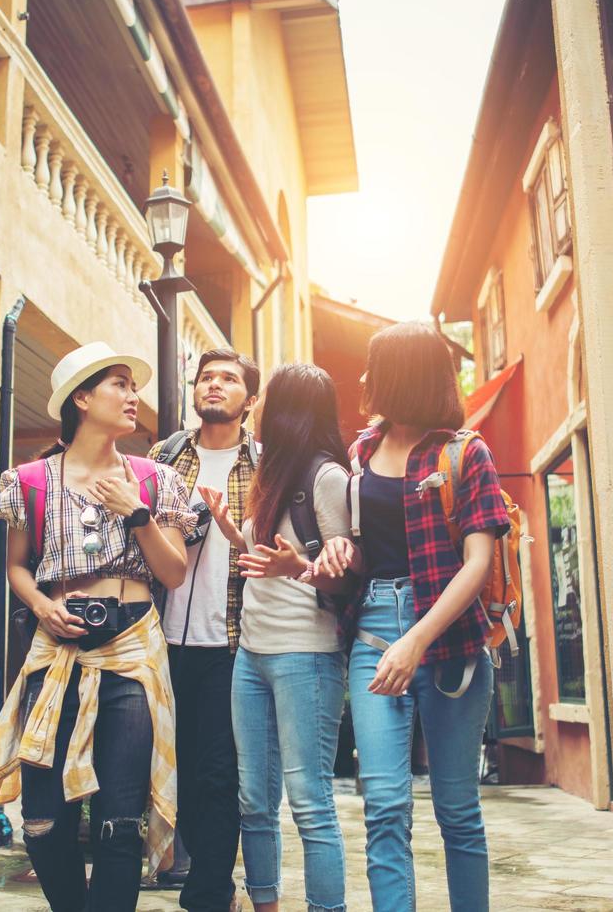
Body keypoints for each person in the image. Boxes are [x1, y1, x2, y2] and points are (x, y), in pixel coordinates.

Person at [0, 342, 197, 912]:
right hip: (55, 651)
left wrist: (134, 511)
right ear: (82, 398)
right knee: (43, 821)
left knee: (121, 820)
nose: (132, 395)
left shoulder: (153, 479)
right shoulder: (28, 481)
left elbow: (174, 572)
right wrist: (42, 607)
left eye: (132, 386)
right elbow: (16, 566)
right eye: (119, 384)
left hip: (131, 652)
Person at [314, 322, 510, 912]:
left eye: (376, 367)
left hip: (449, 639)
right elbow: (367, 546)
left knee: (456, 808)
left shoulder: (464, 452)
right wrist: (339, 551)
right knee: (385, 807)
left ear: (405, 374)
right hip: (374, 627)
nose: (365, 378)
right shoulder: (361, 452)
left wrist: (417, 641)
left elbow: (478, 563)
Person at [202, 363, 353, 912]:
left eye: (265, 397)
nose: (256, 405)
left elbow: (344, 572)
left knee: (310, 801)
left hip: (306, 657)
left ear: (288, 408)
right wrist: (224, 523)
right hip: (253, 655)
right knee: (254, 801)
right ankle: (265, 903)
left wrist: (301, 567)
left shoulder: (327, 477)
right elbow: (256, 559)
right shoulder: (272, 472)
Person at [150, 348, 261, 912]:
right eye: (206, 377)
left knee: (219, 773)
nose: (214, 385)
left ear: (250, 398)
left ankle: (210, 895)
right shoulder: (164, 458)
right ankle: (201, 878)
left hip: (232, 642)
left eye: (229, 379)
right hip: (162, 640)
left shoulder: (265, 465)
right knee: (183, 770)